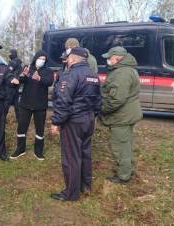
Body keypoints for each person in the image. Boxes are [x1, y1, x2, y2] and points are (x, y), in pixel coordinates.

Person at [50, 47, 101, 201]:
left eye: (68, 57)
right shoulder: (93, 75)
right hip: (88, 119)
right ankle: (85, 186)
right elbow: (98, 100)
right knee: (85, 153)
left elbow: (63, 101)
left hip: (73, 121)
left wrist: (56, 122)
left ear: (72, 58)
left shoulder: (70, 75)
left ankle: (71, 193)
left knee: (71, 157)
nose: (67, 60)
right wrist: (93, 115)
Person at [99, 46, 143, 184]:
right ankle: (127, 169)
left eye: (109, 58)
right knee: (126, 144)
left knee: (120, 146)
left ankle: (123, 176)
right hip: (128, 114)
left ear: (117, 58)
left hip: (121, 116)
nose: (107, 60)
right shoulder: (129, 69)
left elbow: (117, 99)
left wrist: (102, 109)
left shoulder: (122, 73)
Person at [10, 50, 54, 160]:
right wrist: (22, 75)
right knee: (21, 127)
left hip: (40, 105)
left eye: (44, 59)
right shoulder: (28, 67)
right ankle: (20, 149)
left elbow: (50, 81)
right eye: (40, 58)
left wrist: (39, 78)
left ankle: (38, 151)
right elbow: (21, 80)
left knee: (40, 129)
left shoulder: (48, 71)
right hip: (25, 104)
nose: (42, 61)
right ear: (36, 58)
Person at [5, 49, 22, 120]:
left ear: (13, 54)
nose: (9, 55)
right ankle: (19, 118)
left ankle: (2, 118)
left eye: (10, 53)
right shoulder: (19, 63)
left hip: (10, 85)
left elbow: (7, 73)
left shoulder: (13, 63)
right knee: (16, 103)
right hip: (16, 86)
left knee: (6, 103)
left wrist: (10, 80)